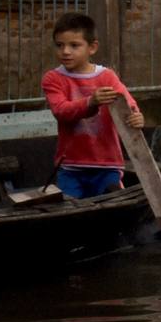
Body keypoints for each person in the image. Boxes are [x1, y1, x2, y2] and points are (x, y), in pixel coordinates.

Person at [41, 12, 143, 199]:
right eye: (60, 45)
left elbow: (127, 103)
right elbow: (61, 111)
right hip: (70, 165)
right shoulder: (53, 78)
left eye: (74, 45)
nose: (65, 51)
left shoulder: (106, 77)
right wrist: (90, 102)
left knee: (113, 204)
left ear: (92, 47)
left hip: (107, 164)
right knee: (68, 209)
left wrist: (136, 115)